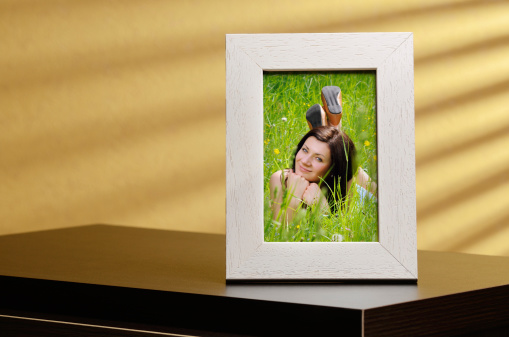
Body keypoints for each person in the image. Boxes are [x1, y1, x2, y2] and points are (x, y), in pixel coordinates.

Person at [269, 86, 376, 225]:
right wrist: (293, 195)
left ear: (332, 167)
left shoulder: (342, 183)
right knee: (346, 161)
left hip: (361, 195)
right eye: (305, 150)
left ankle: (334, 135)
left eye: (318, 158)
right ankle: (334, 131)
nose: (305, 161)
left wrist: (322, 208)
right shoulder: (281, 178)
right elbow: (280, 234)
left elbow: (343, 233)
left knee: (377, 194)